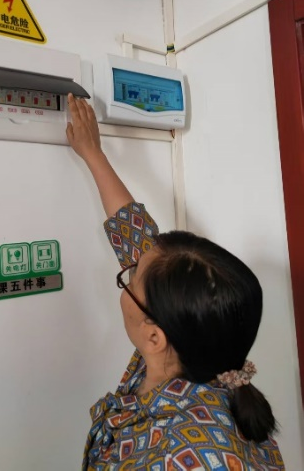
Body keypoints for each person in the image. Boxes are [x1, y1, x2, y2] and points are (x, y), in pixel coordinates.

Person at [66, 94, 285, 471]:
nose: (130, 266)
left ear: (155, 336)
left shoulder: (188, 458)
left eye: (131, 278)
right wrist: (93, 153)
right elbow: (137, 239)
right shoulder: (187, 357)